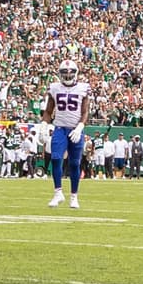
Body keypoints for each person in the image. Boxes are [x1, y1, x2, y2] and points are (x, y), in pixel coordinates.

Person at [43, 59, 91, 209]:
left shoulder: (83, 88)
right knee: (56, 158)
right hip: (59, 128)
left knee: (75, 163)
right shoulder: (55, 88)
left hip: (75, 129)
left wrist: (80, 126)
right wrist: (44, 125)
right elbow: (48, 110)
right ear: (60, 73)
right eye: (65, 72)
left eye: (70, 72)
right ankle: (58, 193)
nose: (68, 75)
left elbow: (85, 111)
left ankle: (74, 196)